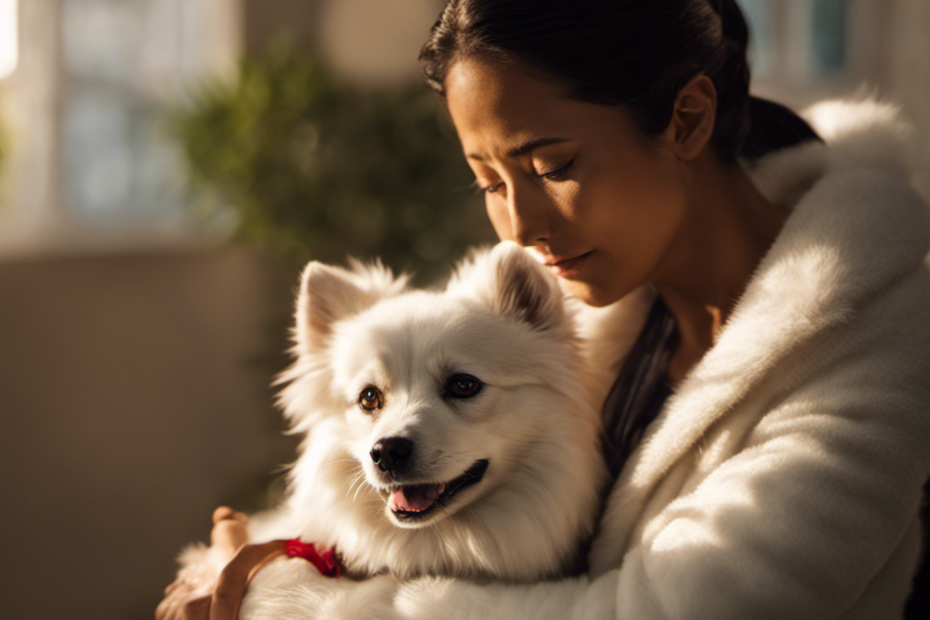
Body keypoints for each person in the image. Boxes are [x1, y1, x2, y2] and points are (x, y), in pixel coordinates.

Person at [157, 0, 930, 618]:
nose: (520, 227)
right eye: (490, 182)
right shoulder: (584, 308)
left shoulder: (878, 346)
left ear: (687, 119)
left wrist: (296, 606)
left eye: (552, 166)